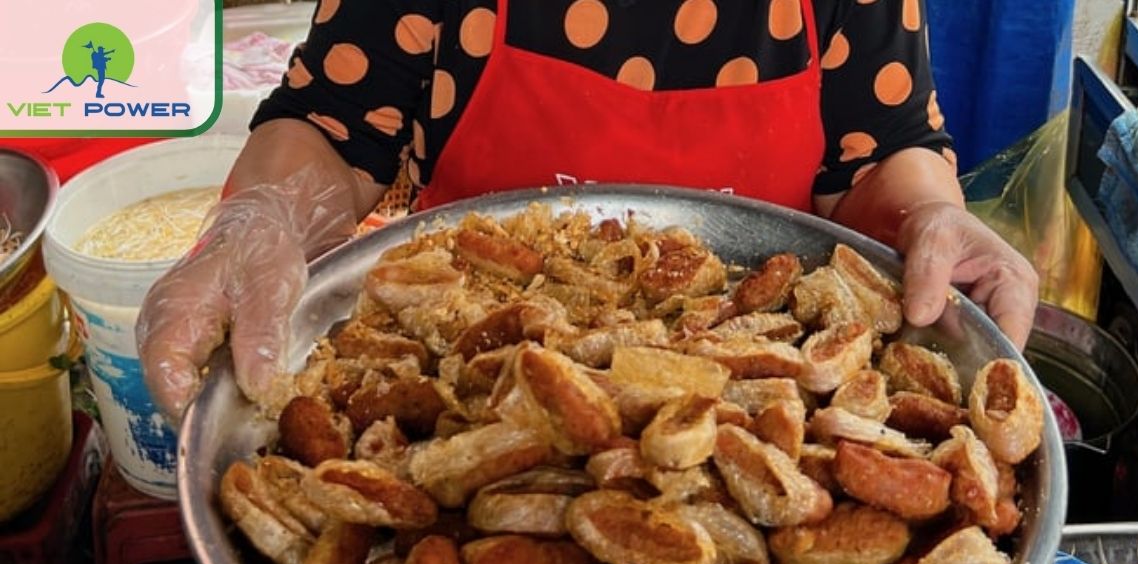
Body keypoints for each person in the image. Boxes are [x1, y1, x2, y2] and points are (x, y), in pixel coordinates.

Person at [136, 0, 1039, 423]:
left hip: (757, 403)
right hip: (465, 383)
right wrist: (262, 217)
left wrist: (925, 214)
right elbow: (332, 128)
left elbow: (880, 157)